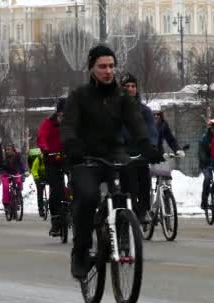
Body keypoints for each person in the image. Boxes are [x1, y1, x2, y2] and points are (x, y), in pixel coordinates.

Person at [60, 45, 160, 279]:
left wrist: (146, 145)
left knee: (129, 185)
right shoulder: (79, 96)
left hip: (114, 153)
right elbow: (68, 125)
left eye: (111, 66)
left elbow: (135, 122)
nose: (108, 71)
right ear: (92, 68)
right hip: (85, 156)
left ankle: (125, 229)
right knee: (88, 197)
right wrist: (72, 145)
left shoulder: (122, 96)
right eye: (102, 66)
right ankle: (81, 252)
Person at [120, 73, 160, 224]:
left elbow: (151, 130)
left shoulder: (144, 110)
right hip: (123, 154)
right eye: (127, 86)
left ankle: (143, 211)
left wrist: (152, 147)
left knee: (145, 182)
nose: (130, 89)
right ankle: (129, 212)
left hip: (140, 153)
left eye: (133, 86)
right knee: (129, 186)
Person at [37, 98, 66, 235]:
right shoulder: (48, 123)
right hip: (52, 159)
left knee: (78, 183)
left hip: (69, 158)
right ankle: (56, 220)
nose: (63, 116)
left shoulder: (73, 123)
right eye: (62, 113)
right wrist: (45, 148)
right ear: (58, 112)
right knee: (56, 188)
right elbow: (42, 137)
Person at [198, 119, 214, 210]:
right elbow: (202, 153)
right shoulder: (205, 139)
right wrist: (207, 161)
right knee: (208, 178)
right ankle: (204, 201)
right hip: (206, 164)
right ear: (210, 128)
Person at [0, 143, 26, 212]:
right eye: (6, 150)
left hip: (15, 173)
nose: (7, 151)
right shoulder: (3, 157)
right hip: (6, 174)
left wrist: (23, 172)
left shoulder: (17, 156)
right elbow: (1, 167)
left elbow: (21, 165)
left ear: (13, 150)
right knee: (5, 187)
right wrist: (3, 172)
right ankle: (6, 203)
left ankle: (18, 196)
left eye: (9, 149)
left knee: (18, 181)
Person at [28, 147, 46, 217]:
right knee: (40, 191)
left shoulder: (49, 159)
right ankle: (41, 209)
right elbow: (33, 169)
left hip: (47, 175)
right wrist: (36, 177)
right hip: (39, 176)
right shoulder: (39, 159)